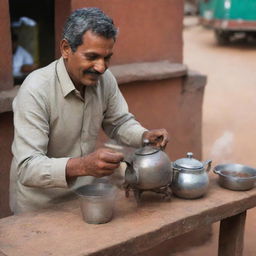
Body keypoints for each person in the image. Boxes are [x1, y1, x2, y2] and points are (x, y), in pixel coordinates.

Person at [10, 7, 169, 214]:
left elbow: (119, 122)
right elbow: (27, 167)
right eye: (92, 57)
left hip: (86, 196)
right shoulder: (35, 90)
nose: (101, 67)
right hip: (40, 207)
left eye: (107, 58)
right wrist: (83, 166)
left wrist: (145, 136)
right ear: (66, 49)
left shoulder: (105, 80)